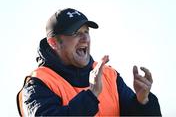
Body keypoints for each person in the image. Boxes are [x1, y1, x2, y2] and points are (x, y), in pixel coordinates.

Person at [17, 8, 161, 116]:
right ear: (54, 43)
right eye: (75, 33)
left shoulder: (109, 76)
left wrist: (143, 102)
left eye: (86, 32)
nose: (85, 38)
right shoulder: (37, 84)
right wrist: (91, 95)